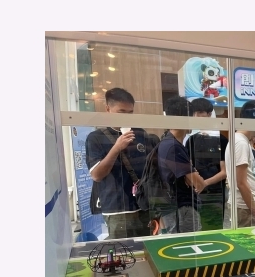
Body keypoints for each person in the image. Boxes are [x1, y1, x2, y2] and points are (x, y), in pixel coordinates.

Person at [85, 88, 156, 239]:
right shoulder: (96, 137)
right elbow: (97, 175)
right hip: (118, 209)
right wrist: (116, 148)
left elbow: (150, 169)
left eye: (130, 113)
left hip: (144, 205)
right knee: (124, 251)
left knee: (147, 248)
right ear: (108, 109)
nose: (126, 117)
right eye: (121, 112)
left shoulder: (140, 133)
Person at [157, 96, 207, 233]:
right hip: (181, 209)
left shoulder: (168, 142)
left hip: (175, 208)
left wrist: (192, 175)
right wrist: (195, 176)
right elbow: (199, 183)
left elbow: (191, 179)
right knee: (189, 244)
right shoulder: (173, 147)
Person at [186, 97, 229, 231]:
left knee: (214, 228)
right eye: (194, 113)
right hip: (196, 193)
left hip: (216, 194)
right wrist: (196, 183)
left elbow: (224, 172)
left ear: (209, 114)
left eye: (200, 112)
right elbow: (188, 168)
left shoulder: (221, 140)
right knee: (196, 229)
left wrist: (204, 183)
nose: (196, 116)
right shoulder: (191, 140)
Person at [225, 100, 255, 227]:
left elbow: (250, 177)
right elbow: (241, 183)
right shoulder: (240, 142)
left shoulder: (242, 141)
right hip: (244, 208)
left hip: (247, 206)